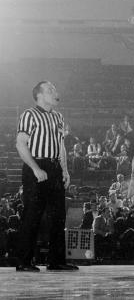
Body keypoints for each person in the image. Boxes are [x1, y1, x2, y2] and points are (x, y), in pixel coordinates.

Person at [15, 81, 78, 271]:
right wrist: (35, 168)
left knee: (58, 215)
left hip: (54, 167)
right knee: (32, 215)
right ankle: (24, 261)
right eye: (50, 89)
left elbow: (61, 146)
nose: (55, 92)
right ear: (40, 95)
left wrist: (65, 170)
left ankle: (56, 261)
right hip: (36, 164)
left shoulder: (58, 117)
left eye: (55, 89)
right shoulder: (29, 114)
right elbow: (20, 144)